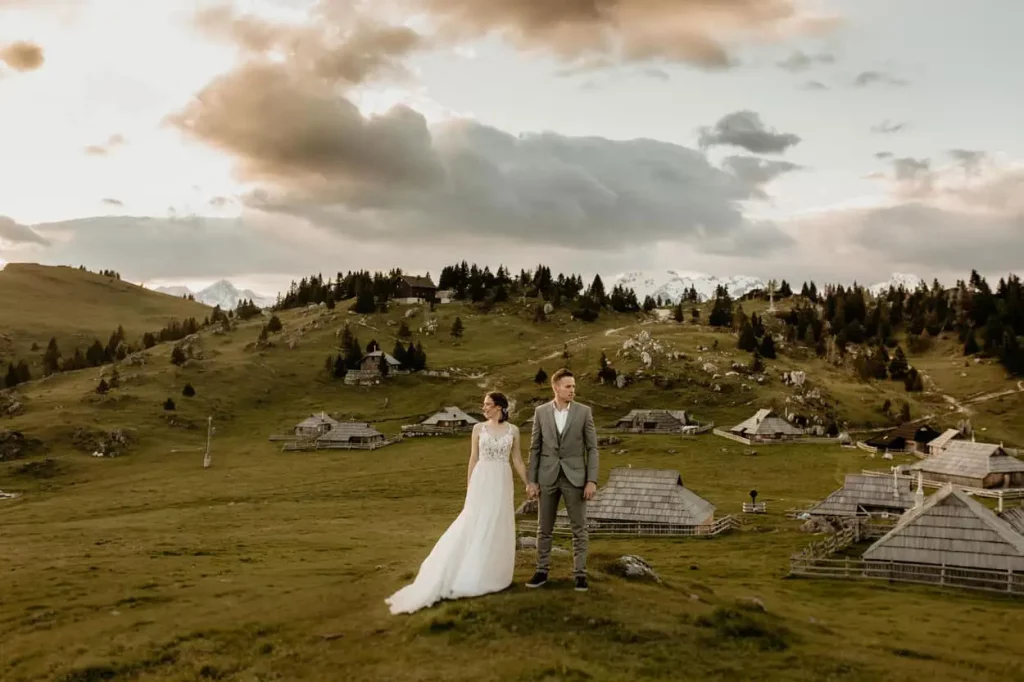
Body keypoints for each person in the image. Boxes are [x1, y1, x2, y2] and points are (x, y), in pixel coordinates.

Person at [385, 392, 529, 615]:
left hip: (502, 480)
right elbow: (473, 458)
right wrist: (470, 486)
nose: (484, 408)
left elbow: (517, 459)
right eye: (484, 405)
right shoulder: (478, 429)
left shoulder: (513, 431)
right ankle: (462, 571)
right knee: (473, 523)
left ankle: (492, 573)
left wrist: (528, 483)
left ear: (500, 407)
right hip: (482, 478)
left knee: (497, 525)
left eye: (488, 405)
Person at [525, 368, 599, 592]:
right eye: (568, 387)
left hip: (575, 478)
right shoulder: (540, 412)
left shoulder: (584, 412)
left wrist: (592, 481)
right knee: (543, 528)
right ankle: (541, 571)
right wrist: (532, 481)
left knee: (579, 529)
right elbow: (535, 448)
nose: (573, 391)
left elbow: (592, 448)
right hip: (547, 477)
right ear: (556, 387)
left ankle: (580, 575)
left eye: (574, 387)